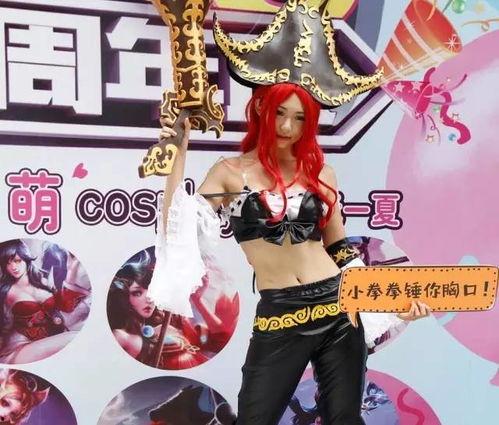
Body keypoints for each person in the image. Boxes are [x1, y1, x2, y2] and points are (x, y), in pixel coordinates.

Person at [148, 1, 431, 423]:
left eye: (299, 118)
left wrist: (392, 306)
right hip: (280, 311)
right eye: (280, 112)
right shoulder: (230, 173)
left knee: (344, 419)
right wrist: (179, 149)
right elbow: (177, 228)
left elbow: (341, 250)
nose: (286, 127)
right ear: (261, 106)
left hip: (340, 308)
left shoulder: (321, 173)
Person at [0, 239, 89, 364]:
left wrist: (71, 273)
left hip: (50, 339)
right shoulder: (4, 291)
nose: (13, 267)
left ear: (26, 258)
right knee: (73, 337)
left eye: (17, 261)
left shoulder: (43, 280)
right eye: (7, 263)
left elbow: (65, 307)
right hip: (21, 347)